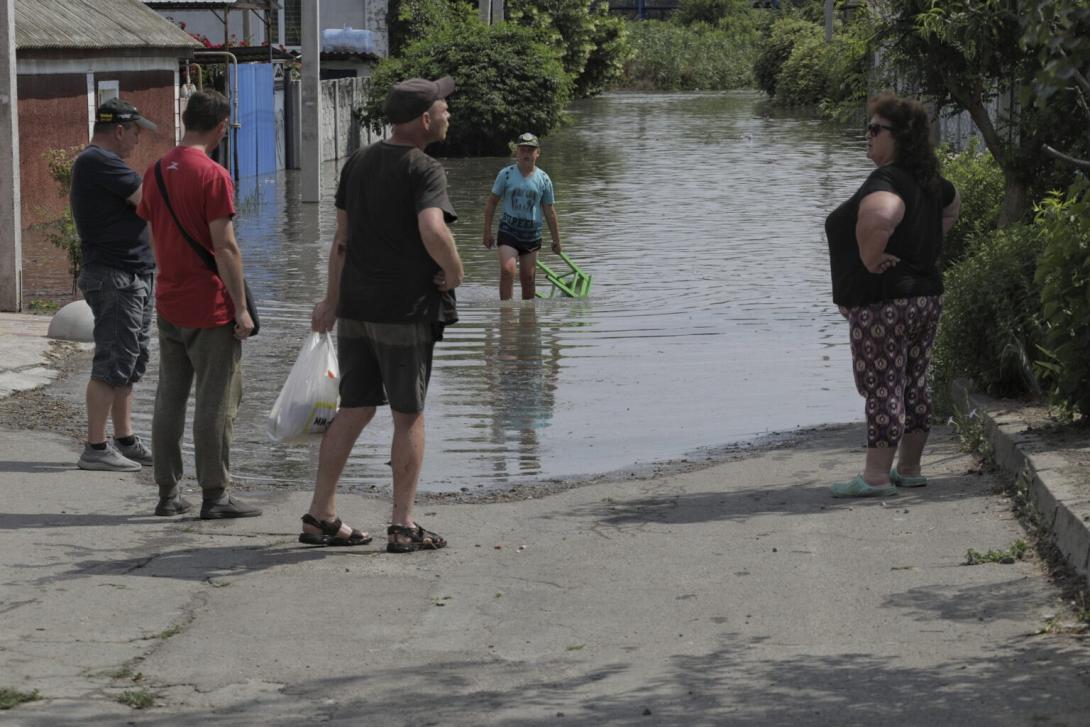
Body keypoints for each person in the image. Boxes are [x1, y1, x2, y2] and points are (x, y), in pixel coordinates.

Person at [306, 76, 463, 552]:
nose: (448, 114)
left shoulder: (357, 162)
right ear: (423, 119)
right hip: (404, 311)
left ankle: (321, 514)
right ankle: (402, 524)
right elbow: (432, 228)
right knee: (408, 415)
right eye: (442, 108)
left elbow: (340, 241)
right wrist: (455, 270)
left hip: (356, 309)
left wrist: (332, 301)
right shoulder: (424, 168)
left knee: (353, 409)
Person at [824, 91, 960, 498]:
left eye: (875, 129)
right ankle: (911, 468)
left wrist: (870, 257)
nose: (868, 136)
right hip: (924, 298)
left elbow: (882, 213)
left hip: (884, 304)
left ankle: (876, 476)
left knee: (882, 383)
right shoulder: (929, 181)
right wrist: (923, 245)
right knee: (914, 382)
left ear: (897, 136)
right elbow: (952, 207)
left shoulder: (885, 180)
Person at [136, 90, 262, 520]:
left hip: (168, 301)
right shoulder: (213, 175)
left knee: (169, 397)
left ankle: (168, 493)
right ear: (222, 126)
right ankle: (215, 495)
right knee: (216, 401)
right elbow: (225, 247)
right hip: (209, 306)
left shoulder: (155, 171)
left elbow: (153, 233)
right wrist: (241, 308)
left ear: (186, 119)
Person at [70, 98, 158, 472]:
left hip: (130, 274)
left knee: (131, 358)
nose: (139, 140)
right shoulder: (98, 161)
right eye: (136, 132)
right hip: (115, 276)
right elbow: (150, 203)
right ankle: (95, 446)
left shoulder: (104, 164)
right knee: (112, 360)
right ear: (119, 130)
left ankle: (124, 438)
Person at [482, 132, 562, 300]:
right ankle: (506, 316)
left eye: (530, 150)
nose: (526, 154)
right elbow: (491, 203)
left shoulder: (544, 179)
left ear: (537, 153)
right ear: (516, 153)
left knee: (528, 278)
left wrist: (556, 240)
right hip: (509, 231)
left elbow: (549, 211)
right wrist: (487, 232)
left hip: (531, 234)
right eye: (523, 150)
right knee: (507, 270)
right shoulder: (506, 174)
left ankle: (528, 320)